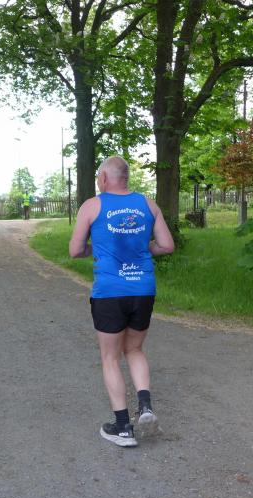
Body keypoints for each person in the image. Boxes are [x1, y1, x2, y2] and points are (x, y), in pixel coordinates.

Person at [69, 156, 175, 447]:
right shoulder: (148, 204)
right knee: (135, 349)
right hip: (143, 289)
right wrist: (141, 249)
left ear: (104, 178)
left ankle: (123, 428)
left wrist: (98, 249)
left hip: (110, 292)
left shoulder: (92, 206)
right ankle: (145, 406)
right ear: (126, 178)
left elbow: (75, 250)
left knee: (110, 357)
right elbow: (167, 245)